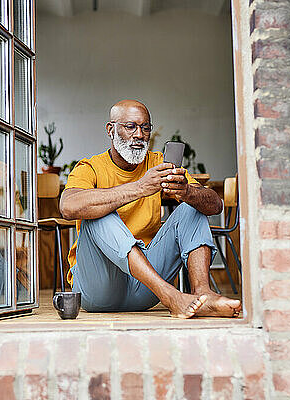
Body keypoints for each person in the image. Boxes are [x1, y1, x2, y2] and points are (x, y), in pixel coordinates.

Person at [59, 100, 242, 318]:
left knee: (192, 207)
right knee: (97, 211)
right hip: (100, 291)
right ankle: (172, 297)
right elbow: (68, 207)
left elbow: (215, 205)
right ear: (111, 129)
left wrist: (187, 192)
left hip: (144, 289)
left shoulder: (158, 163)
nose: (139, 134)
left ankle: (203, 295)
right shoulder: (90, 167)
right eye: (130, 127)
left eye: (145, 128)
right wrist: (140, 187)